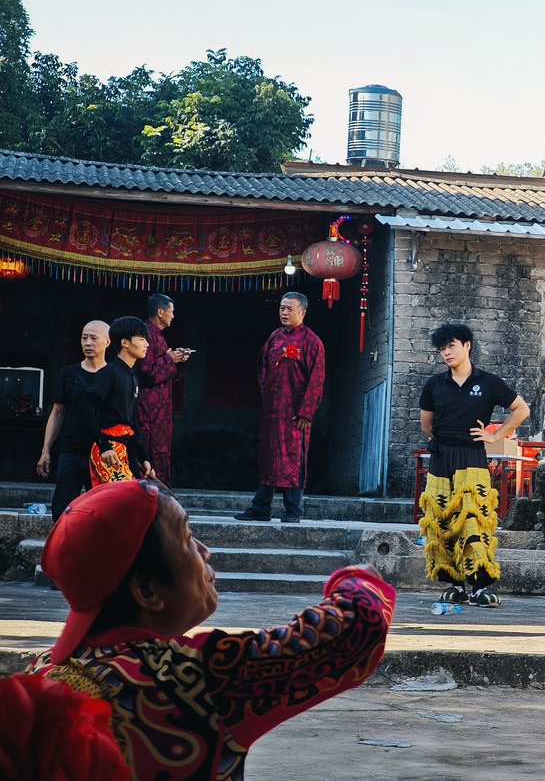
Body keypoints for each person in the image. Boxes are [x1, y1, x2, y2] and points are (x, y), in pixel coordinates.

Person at [26, 480, 395, 780]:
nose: (205, 551)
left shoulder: (42, 674)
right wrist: (359, 578)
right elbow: (358, 627)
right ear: (147, 592)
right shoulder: (196, 678)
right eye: (186, 539)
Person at [418, 322, 530, 607]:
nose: (446, 353)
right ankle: (455, 585)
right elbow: (426, 425)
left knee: (474, 519)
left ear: (467, 345)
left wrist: (495, 435)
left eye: (451, 346)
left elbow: (521, 409)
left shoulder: (488, 382)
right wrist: (446, 440)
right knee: (441, 521)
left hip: (473, 457)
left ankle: (481, 586)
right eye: (442, 349)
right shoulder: (434, 385)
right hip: (441, 456)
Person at [235, 292, 325, 524]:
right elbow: (262, 366)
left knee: (293, 460)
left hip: (296, 415)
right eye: (282, 308)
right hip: (273, 412)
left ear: (302, 313)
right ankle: (261, 508)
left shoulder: (311, 342)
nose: (284, 313)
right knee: (269, 459)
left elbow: (317, 379)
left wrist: (307, 412)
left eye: (289, 309)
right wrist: (268, 396)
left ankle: (293, 510)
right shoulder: (274, 337)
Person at [37, 320, 109, 519]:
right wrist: (46, 450)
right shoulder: (69, 373)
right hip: (70, 452)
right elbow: (57, 412)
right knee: (61, 512)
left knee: (101, 513)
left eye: (94, 338)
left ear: (108, 342)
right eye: (84, 337)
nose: (88, 342)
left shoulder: (113, 375)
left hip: (100, 454)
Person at [82, 316, 154, 487]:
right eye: (142, 339)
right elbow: (85, 407)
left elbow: (132, 420)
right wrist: (104, 445)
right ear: (125, 343)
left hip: (125, 449)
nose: (147, 345)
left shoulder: (132, 376)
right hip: (108, 451)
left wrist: (144, 457)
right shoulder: (110, 373)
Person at [135, 294, 190, 487]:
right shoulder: (146, 334)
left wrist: (175, 359)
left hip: (160, 409)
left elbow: (163, 371)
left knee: (160, 454)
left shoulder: (158, 336)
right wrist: (169, 359)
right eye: (171, 311)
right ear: (160, 312)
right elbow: (146, 372)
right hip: (148, 409)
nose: (173, 316)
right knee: (150, 455)